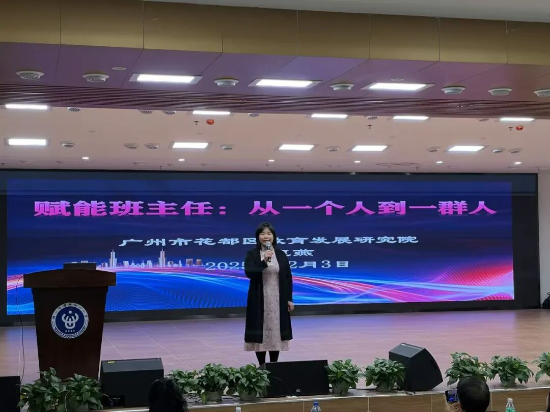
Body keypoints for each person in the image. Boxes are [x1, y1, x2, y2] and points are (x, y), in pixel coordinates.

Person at [244, 222, 294, 366]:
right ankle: (261, 366)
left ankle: (273, 366)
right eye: (262, 234)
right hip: (259, 298)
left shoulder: (281, 254)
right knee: (260, 332)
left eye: (269, 233)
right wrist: (264, 260)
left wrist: (289, 299)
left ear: (273, 236)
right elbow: (250, 273)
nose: (266, 236)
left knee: (275, 333)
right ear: (258, 237)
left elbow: (288, 278)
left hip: (278, 298)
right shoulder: (252, 254)